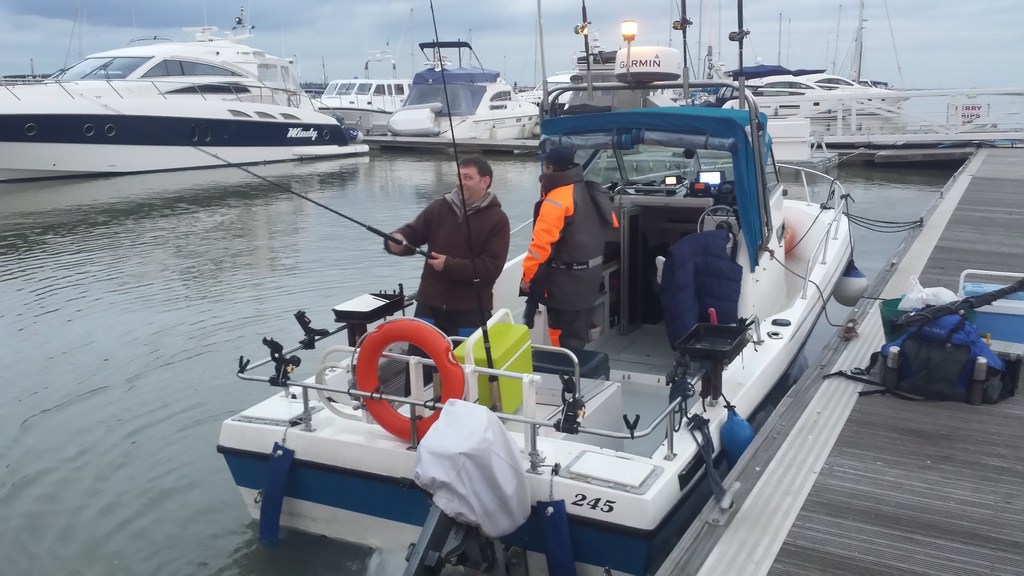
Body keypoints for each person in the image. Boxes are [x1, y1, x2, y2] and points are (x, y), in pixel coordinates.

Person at [386, 156, 511, 338]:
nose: (461, 182)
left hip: (470, 310)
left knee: (463, 358)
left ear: (485, 182)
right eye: (459, 177)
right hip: (429, 305)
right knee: (419, 355)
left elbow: (490, 269)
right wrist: (396, 241)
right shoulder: (439, 207)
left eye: (468, 178)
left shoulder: (498, 220)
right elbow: (413, 233)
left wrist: (449, 265)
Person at [520, 146, 618, 350]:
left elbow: (540, 247)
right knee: (577, 334)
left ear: (549, 167)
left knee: (563, 340)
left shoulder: (556, 199)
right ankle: (578, 365)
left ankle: (567, 369)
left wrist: (527, 279)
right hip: (589, 279)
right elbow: (612, 224)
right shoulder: (590, 190)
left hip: (565, 286)